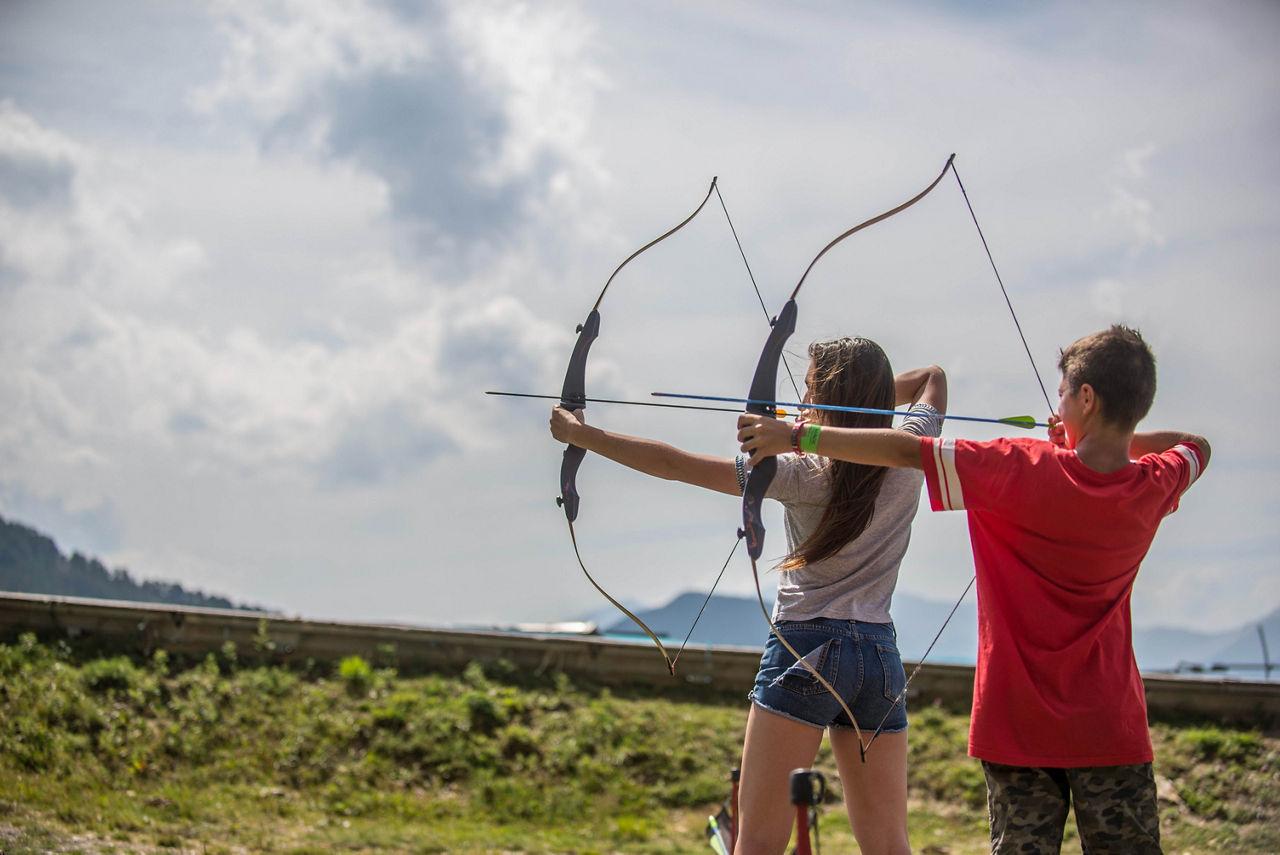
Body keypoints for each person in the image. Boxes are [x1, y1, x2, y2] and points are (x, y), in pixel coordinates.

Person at [738, 325, 1210, 855]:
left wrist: (801, 436)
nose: (1056, 405)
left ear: (1085, 397)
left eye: (1062, 394)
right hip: (1112, 728)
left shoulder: (1017, 466)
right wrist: (1100, 439)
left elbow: (907, 451)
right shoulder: (1153, 483)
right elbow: (1195, 445)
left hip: (1017, 728)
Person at [550, 338, 946, 855]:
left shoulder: (801, 472)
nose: (800, 401)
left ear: (827, 398)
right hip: (880, 655)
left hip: (807, 647)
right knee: (890, 845)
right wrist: (861, 406)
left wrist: (581, 434)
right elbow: (932, 377)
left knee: (756, 844)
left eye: (808, 390)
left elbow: (673, 465)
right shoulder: (912, 450)